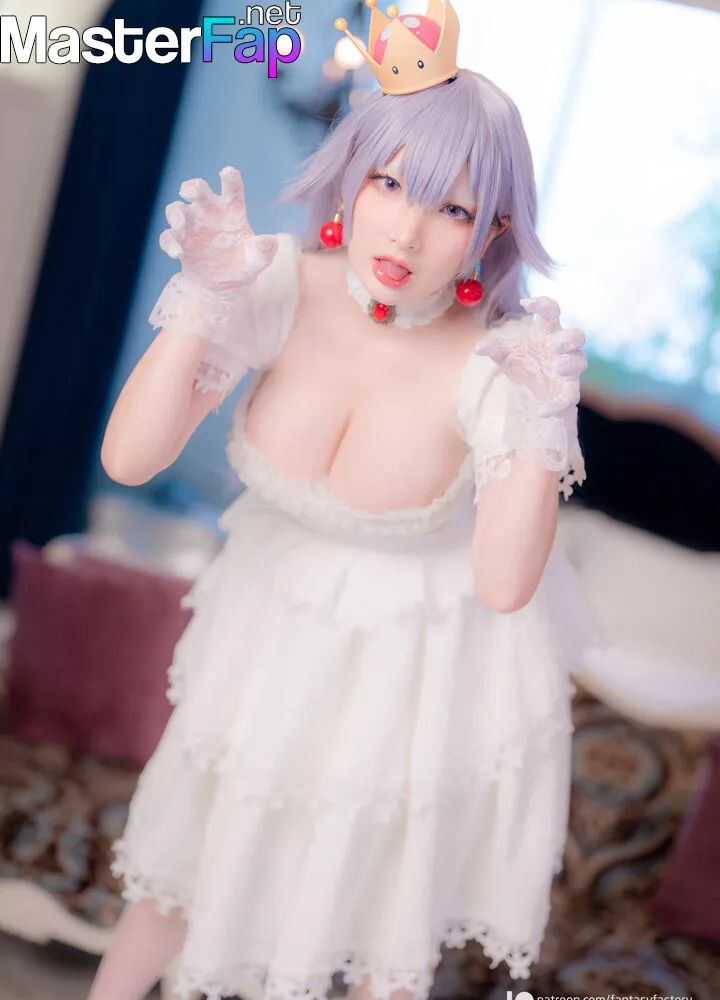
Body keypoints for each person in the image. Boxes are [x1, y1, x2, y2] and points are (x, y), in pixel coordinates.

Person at [92, 2, 608, 999]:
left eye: (452, 210)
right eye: (390, 184)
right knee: (180, 875)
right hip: (267, 625)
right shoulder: (277, 282)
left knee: (373, 930)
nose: (406, 231)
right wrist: (201, 300)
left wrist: (546, 420)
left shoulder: (499, 364)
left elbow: (507, 585)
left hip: (415, 671)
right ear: (354, 175)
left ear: (494, 230)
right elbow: (129, 458)